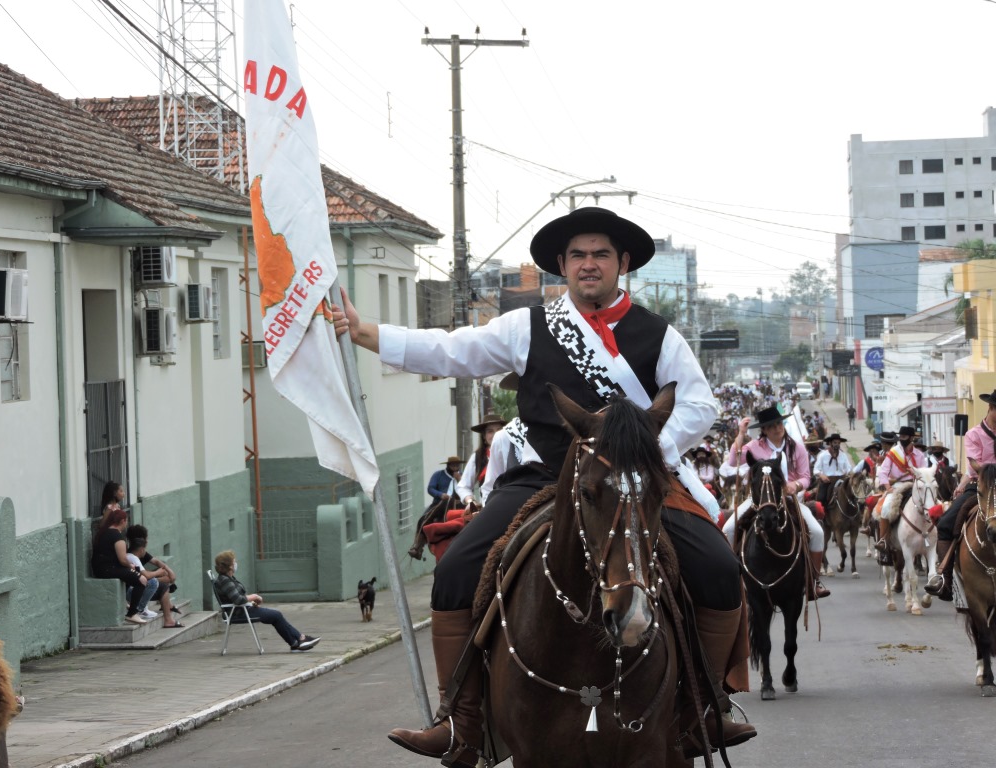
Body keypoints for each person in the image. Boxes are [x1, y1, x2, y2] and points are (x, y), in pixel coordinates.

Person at [334, 206, 755, 764]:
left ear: (622, 263)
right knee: (458, 572)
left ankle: (702, 706)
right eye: (578, 255)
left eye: (601, 254)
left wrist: (643, 454)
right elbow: (452, 349)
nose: (589, 264)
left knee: (720, 570)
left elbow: (698, 403)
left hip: (633, 481)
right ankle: (461, 720)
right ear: (562, 265)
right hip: (543, 478)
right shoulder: (527, 326)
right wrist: (366, 333)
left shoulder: (659, 334)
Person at [719, 407, 831, 600]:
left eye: (778, 423)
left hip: (789, 499)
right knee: (728, 529)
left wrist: (794, 486)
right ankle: (732, 580)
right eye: (771, 426)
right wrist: (741, 434)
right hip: (758, 500)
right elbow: (732, 460)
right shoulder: (754, 446)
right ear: (764, 430)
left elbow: (805, 476)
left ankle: (813, 581)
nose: (776, 428)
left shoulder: (797, 447)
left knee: (818, 532)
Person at [927, 390, 996, 600]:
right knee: (946, 523)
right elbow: (974, 464)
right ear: (991, 408)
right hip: (980, 487)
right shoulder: (974, 434)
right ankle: (945, 579)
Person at [211, 551, 320, 651]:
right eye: (234, 562)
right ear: (230, 566)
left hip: (243, 609)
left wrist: (251, 602)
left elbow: (238, 598)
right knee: (276, 615)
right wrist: (254, 597)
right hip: (238, 613)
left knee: (276, 616)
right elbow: (238, 600)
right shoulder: (225, 580)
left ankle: (296, 642)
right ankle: (299, 639)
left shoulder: (228, 579)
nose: (236, 563)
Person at [873, 425, 929, 552]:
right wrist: (888, 487)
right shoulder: (893, 453)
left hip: (915, 485)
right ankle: (883, 540)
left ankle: (932, 537)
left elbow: (925, 473)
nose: (901, 439)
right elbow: (883, 472)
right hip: (898, 487)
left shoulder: (919, 455)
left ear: (911, 438)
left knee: (932, 505)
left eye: (904, 437)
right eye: (901, 437)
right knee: (886, 508)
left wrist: (917, 475)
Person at [89, 509, 150, 625]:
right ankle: (132, 613)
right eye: (126, 521)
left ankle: (124, 601)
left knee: (133, 574)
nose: (126, 524)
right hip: (108, 569)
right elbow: (122, 560)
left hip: (100, 568)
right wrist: (130, 565)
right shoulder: (117, 537)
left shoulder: (103, 533)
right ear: (122, 521)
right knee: (142, 580)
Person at [408, 457, 465, 560]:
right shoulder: (438, 475)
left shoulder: (463, 475)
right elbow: (430, 488)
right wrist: (440, 494)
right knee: (424, 519)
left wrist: (459, 479)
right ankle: (417, 547)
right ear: (448, 466)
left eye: (457, 465)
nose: (455, 467)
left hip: (459, 503)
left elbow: (468, 488)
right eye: (453, 465)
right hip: (441, 503)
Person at [126, 525, 181, 629]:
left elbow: (155, 561)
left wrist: (167, 570)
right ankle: (142, 609)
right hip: (133, 589)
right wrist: (158, 573)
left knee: (163, 580)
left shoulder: (135, 553)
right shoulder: (133, 557)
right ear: (142, 543)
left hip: (137, 584)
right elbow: (145, 575)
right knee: (161, 585)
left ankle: (167, 608)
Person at [456, 413, 506, 509]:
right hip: (489, 508)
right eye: (490, 431)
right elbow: (463, 486)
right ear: (484, 436)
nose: (495, 434)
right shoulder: (478, 457)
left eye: (499, 430)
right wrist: (471, 501)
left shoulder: (515, 453)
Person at [814, 433, 853, 510]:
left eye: (838, 443)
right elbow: (816, 469)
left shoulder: (843, 455)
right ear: (830, 443)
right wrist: (822, 476)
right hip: (827, 481)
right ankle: (821, 516)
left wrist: (848, 473)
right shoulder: (823, 455)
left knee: (852, 495)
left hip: (841, 480)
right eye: (835, 442)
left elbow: (848, 468)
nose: (837, 445)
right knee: (821, 498)